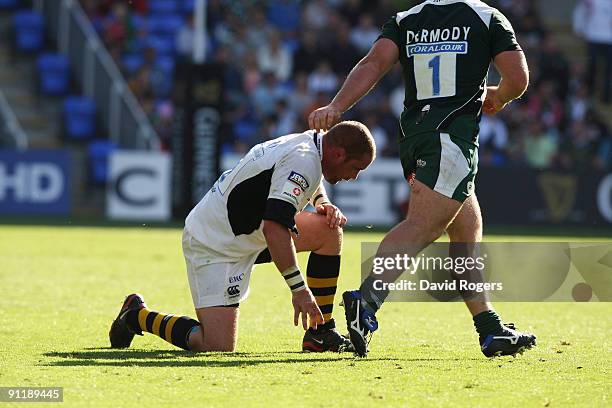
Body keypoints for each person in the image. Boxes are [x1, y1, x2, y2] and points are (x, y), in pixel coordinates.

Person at [309, 0, 536, 358]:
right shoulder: (486, 16)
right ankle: (365, 301)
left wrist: (338, 105)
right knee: (423, 226)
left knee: (465, 230)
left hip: (416, 136)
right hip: (452, 137)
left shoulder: (406, 19)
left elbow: (373, 64)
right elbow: (518, 79)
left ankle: (490, 329)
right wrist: (500, 97)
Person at [109, 121, 376, 352]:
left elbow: (303, 180)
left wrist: (321, 202)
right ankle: (136, 316)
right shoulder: (304, 158)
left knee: (328, 229)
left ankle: (321, 332)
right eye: (356, 168)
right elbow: (274, 227)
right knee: (215, 346)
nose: (354, 177)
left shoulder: (312, 142)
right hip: (214, 243)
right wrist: (299, 289)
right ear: (339, 154)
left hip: (248, 232)